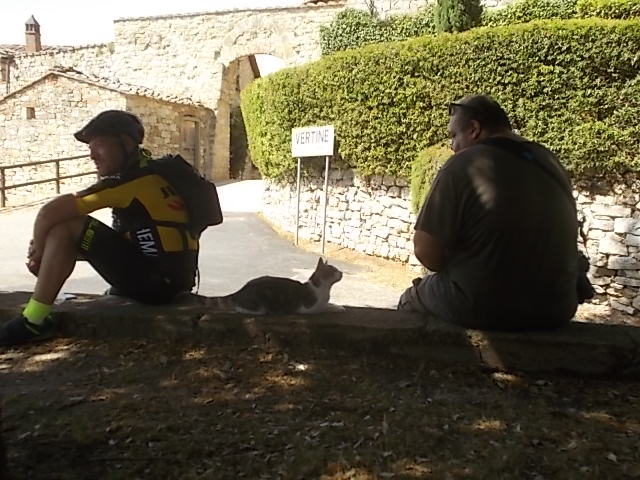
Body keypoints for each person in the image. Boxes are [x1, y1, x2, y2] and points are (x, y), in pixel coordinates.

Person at [0, 110, 200, 347]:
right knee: (69, 235)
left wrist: (39, 252)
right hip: (171, 279)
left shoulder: (131, 182)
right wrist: (52, 254)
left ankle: (33, 321)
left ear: (126, 143)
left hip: (158, 285)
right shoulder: (152, 174)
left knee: (69, 226)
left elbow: (49, 212)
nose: (92, 155)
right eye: (90, 147)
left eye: (99, 145)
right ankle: (38, 314)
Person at [398, 94, 579, 331]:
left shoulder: (464, 163)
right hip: (557, 308)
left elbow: (426, 251)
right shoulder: (549, 160)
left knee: (410, 299)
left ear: (474, 129)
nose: (452, 146)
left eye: (454, 136)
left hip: (485, 307)